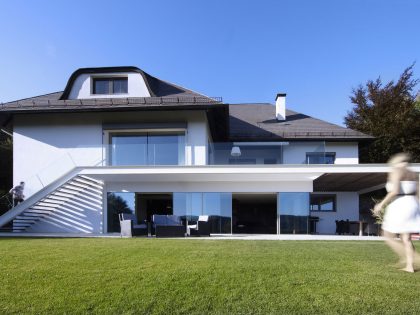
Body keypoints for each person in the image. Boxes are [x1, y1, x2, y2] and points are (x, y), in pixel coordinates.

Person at [374, 153, 420, 273]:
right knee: (406, 238)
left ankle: (411, 258)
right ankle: (410, 266)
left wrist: (381, 204)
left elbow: (394, 191)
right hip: (413, 204)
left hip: (400, 204)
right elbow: (418, 193)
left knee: (388, 236)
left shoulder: (396, 171)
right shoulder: (413, 173)